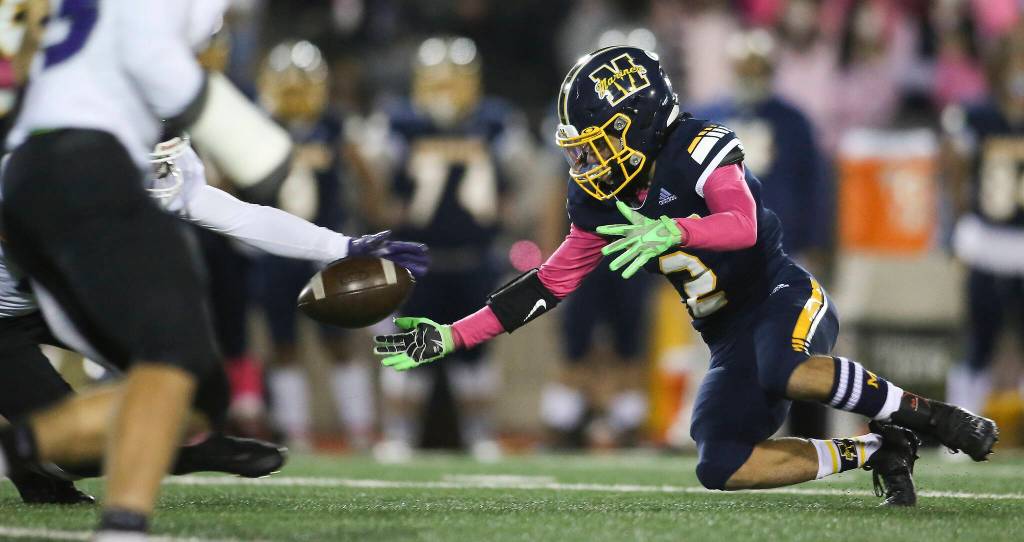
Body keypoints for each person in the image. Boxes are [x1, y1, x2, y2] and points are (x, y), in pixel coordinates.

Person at [374, 46, 999, 506]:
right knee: (719, 464)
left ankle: (935, 417)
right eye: (579, 148)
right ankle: (876, 448)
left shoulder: (696, 144)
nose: (586, 161)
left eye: (596, 142)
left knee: (785, 367)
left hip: (781, 293)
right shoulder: (601, 197)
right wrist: (451, 336)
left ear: (638, 122)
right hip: (726, 336)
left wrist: (676, 230)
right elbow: (549, 283)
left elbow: (744, 223)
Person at [374, 36, 522, 463]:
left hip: (473, 259)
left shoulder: (494, 122)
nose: (446, 89)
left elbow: (517, 183)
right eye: (438, 81)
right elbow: (378, 186)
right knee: (410, 347)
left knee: (476, 354)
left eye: (454, 80)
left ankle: (480, 434)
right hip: (420, 259)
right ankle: (400, 433)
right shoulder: (400, 122)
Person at [255, 40, 381, 451]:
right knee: (284, 345)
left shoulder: (334, 124)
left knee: (338, 341)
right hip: (273, 250)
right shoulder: (257, 125)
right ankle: (296, 433)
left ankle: (359, 429)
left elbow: (364, 174)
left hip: (323, 248)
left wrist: (375, 213)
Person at [946, 26, 1024, 416]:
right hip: (989, 239)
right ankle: (960, 428)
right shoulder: (977, 115)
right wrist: (959, 224)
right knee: (979, 338)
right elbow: (955, 171)